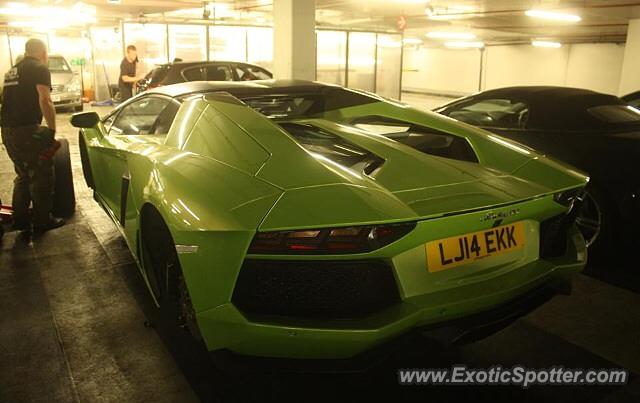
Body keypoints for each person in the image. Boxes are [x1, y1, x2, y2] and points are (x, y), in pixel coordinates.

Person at [0, 38, 65, 233]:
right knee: (42, 173)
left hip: (7, 130)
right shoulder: (39, 68)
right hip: (26, 129)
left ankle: (20, 220)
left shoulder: (13, 69)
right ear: (43, 53)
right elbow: (45, 99)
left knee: (23, 174)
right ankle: (42, 221)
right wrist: (51, 130)